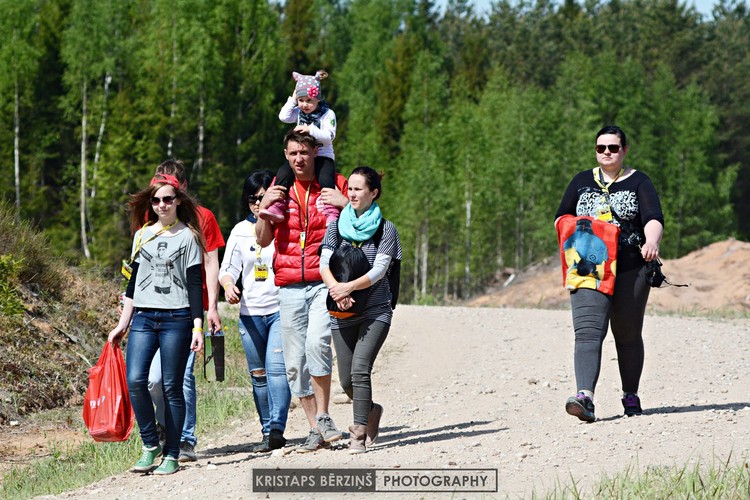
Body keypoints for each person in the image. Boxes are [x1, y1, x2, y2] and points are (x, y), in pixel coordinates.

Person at [555, 125, 664, 422]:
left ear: (624, 150)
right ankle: (584, 397)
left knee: (627, 334)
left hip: (631, 267)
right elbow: (561, 217)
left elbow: (653, 217)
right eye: (601, 148)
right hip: (589, 268)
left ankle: (631, 394)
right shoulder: (580, 181)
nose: (606, 153)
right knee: (588, 331)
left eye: (613, 148)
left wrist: (651, 242)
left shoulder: (639, 181)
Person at [255, 129, 349, 452]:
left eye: (304, 153)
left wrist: (345, 202)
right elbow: (263, 239)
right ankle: (314, 428)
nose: (299, 159)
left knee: (317, 344)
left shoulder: (334, 183)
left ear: (315, 153)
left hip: (324, 280)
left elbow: (363, 224)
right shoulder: (279, 190)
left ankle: (324, 416)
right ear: (286, 155)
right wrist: (264, 207)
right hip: (289, 286)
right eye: (293, 153)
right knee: (294, 362)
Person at [108, 173, 205, 475]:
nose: (162, 205)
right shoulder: (143, 234)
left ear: (178, 202)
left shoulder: (188, 236)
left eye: (168, 199)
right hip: (144, 318)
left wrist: (197, 327)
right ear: (151, 204)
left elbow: (193, 285)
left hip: (177, 318)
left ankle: (173, 454)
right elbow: (133, 283)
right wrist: (122, 323)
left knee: (171, 387)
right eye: (156, 200)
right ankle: (151, 444)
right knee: (135, 380)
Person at [147, 160, 225, 462]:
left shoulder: (203, 218)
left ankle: (186, 439)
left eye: (168, 191)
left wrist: (211, 308)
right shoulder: (152, 214)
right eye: (157, 192)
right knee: (153, 380)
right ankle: (168, 429)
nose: (162, 200)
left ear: (182, 190)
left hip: (188, 309)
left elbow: (211, 263)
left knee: (181, 376)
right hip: (154, 308)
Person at [320, 166, 402, 453]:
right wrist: (336, 290)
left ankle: (358, 434)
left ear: (373, 192)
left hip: (375, 311)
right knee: (345, 380)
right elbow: (324, 263)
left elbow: (380, 270)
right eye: (349, 189)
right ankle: (370, 410)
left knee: (359, 370)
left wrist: (348, 288)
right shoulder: (335, 226)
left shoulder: (385, 229)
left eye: (358, 189)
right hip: (341, 309)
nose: (352, 194)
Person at [219, 170, 291, 453]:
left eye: (263, 197)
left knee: (276, 371)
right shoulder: (239, 230)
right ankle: (266, 432)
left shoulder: (284, 225)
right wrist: (228, 286)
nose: (258, 203)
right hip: (250, 314)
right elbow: (228, 270)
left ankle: (277, 429)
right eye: (252, 198)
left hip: (279, 309)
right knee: (258, 375)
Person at [260, 70, 339, 224]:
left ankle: (331, 211)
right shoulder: (300, 112)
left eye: (309, 100)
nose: (304, 104)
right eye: (301, 100)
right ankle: (278, 205)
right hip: (302, 154)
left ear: (318, 99)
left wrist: (310, 130)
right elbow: (283, 116)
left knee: (325, 177)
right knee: (283, 172)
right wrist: (294, 96)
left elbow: (330, 136)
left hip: (322, 154)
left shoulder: (328, 114)